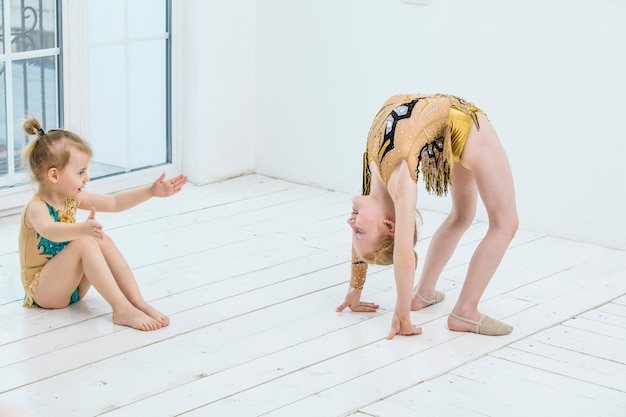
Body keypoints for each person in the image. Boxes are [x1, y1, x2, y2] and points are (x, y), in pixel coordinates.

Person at [336, 94, 518, 339]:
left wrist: (354, 289)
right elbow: (404, 256)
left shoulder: (374, 181)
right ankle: (465, 310)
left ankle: (423, 293)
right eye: (359, 230)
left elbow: (377, 240)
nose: (351, 223)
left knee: (463, 215)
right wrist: (402, 314)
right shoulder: (401, 185)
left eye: (354, 231)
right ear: (390, 225)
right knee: (506, 223)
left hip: (443, 135)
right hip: (467, 127)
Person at [18, 116, 187, 331]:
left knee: (101, 240)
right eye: (80, 172)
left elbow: (114, 202)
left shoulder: (72, 198)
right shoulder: (36, 208)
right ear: (54, 175)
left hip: (72, 287)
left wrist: (151, 192)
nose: (86, 178)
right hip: (43, 292)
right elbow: (51, 231)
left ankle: (136, 302)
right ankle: (121, 308)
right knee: (86, 241)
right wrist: (82, 230)